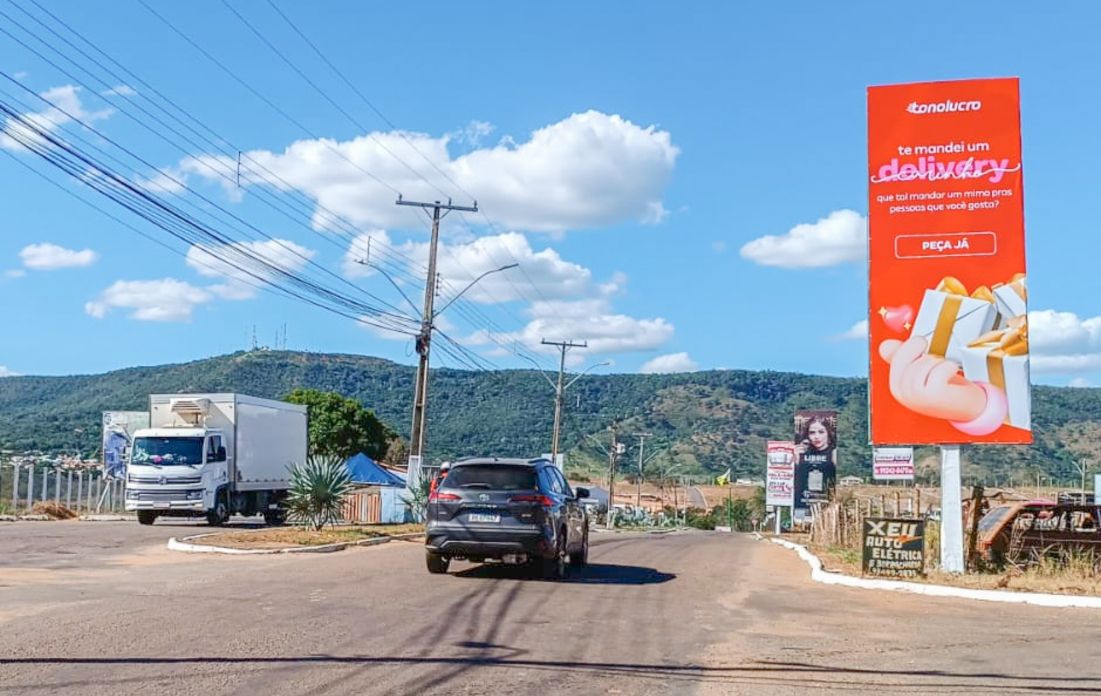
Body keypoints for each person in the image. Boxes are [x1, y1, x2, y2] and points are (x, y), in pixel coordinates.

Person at [793, 415, 837, 515]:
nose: (817, 436)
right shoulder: (800, 454)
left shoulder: (833, 454)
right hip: (802, 503)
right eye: (812, 433)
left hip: (827, 504)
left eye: (821, 432)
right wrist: (796, 459)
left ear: (828, 433)